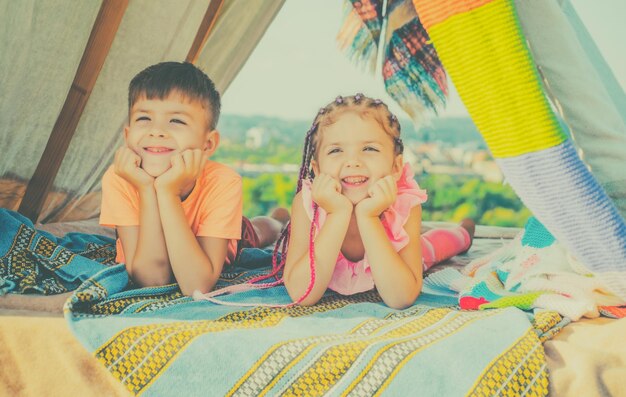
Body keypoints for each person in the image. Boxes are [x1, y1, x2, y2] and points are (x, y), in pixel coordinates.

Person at [100, 61, 283, 296]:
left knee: (260, 230)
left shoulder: (223, 182)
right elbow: (153, 279)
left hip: (216, 238)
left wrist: (167, 191)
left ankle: (279, 219)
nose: (156, 131)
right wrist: (148, 189)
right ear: (127, 135)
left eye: (176, 121)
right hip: (172, 242)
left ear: (208, 144)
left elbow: (196, 285)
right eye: (144, 119)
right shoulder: (120, 178)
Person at [279, 94, 474, 309]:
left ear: (396, 167)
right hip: (324, 228)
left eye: (369, 149)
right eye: (336, 150)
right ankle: (277, 219)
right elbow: (301, 294)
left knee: (432, 247)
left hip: (396, 257)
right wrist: (338, 214)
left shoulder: (404, 204)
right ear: (317, 170)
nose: (353, 161)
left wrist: (369, 217)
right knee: (287, 235)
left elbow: (401, 298)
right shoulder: (308, 204)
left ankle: (464, 231)